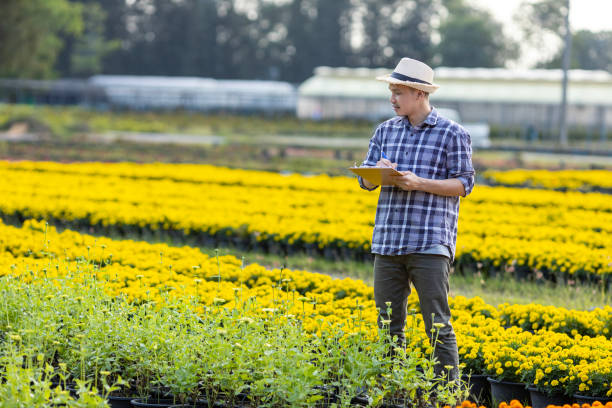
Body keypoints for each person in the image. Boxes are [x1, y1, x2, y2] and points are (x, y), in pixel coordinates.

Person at [357, 57, 475, 381]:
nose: (392, 98)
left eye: (399, 92)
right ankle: (393, 390)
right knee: (388, 324)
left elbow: (464, 183)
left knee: (437, 323)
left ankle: (447, 395)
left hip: (429, 243)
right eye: (391, 91)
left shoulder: (452, 134)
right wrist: (375, 175)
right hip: (388, 240)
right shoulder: (385, 131)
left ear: (420, 94)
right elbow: (365, 181)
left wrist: (420, 183)